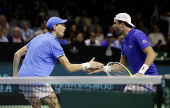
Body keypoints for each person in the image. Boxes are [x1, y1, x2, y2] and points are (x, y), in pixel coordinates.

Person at [13, 17, 103, 108]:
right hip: (37, 79)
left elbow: (17, 54)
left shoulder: (38, 37)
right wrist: (88, 65)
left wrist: (14, 77)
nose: (65, 28)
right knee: (55, 105)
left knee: (36, 105)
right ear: (55, 27)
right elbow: (69, 68)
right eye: (62, 25)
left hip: (22, 78)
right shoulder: (54, 44)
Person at [85, 13, 158, 93]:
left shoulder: (137, 35)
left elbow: (151, 54)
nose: (113, 26)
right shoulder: (124, 43)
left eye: (115, 23)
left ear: (122, 23)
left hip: (149, 78)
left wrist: (140, 73)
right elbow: (121, 67)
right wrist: (103, 68)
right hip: (137, 79)